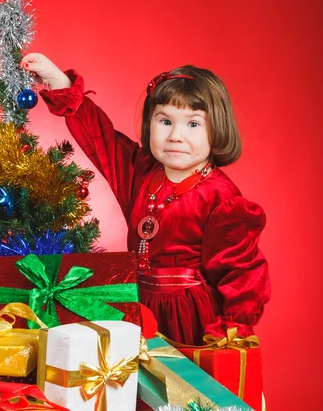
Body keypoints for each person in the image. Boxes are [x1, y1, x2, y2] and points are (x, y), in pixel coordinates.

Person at [21, 54, 270, 345]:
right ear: (149, 124)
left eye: (193, 124)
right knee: (130, 387)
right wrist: (60, 83)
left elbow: (243, 274)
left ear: (217, 129)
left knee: (180, 388)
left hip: (190, 321)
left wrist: (231, 329)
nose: (176, 135)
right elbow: (101, 140)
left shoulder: (222, 198)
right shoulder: (140, 173)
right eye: (165, 121)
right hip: (137, 310)